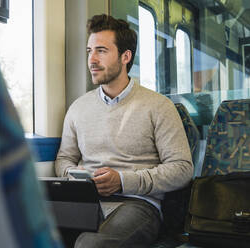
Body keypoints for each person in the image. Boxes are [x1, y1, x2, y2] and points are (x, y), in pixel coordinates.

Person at [54, 14, 193, 248]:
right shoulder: (78, 108)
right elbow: (64, 158)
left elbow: (182, 169)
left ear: (125, 56)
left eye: (101, 51)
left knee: (92, 245)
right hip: (87, 201)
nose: (92, 60)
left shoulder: (158, 106)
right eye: (89, 51)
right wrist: (75, 177)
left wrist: (123, 181)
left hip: (138, 204)